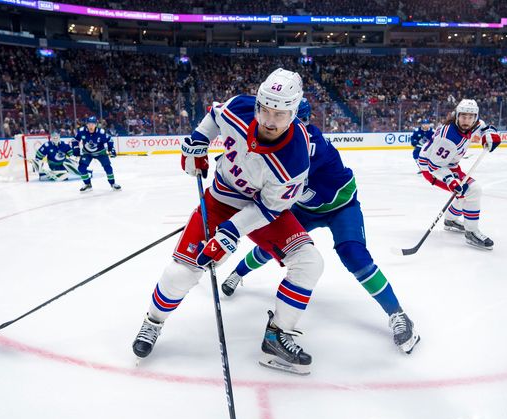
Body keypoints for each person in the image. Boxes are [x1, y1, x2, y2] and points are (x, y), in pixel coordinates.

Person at [132, 68, 324, 375]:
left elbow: (270, 209)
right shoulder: (240, 108)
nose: (270, 121)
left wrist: (231, 233)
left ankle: (277, 335)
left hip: (262, 212)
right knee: (180, 272)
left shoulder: (296, 157)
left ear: (293, 113)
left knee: (309, 262)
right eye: (265, 110)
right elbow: (213, 116)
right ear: (258, 103)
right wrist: (198, 141)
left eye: (280, 114)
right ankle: (152, 322)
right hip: (220, 201)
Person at [221, 98, 419, 354]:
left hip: (341, 206)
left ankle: (398, 314)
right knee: (275, 245)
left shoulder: (308, 145)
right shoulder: (280, 143)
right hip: (305, 208)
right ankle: (238, 274)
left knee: (354, 255)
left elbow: (270, 173)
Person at [416, 99, 501, 250]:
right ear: (457, 116)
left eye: (470, 117)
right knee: (472, 190)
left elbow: (483, 127)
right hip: (432, 169)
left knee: (464, 193)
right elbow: (434, 166)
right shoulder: (448, 138)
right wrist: (450, 180)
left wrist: (490, 134)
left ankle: (450, 220)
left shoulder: (474, 123)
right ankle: (471, 232)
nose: (466, 121)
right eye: (463, 117)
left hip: (449, 164)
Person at [72, 116, 121, 191]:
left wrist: (111, 149)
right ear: (86, 124)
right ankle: (87, 184)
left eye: (92, 124)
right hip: (87, 153)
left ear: (96, 125)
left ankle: (113, 184)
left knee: (108, 167)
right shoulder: (82, 131)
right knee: (81, 168)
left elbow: (109, 139)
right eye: (89, 124)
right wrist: (75, 148)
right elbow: (75, 140)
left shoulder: (101, 132)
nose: (91, 126)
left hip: (100, 152)